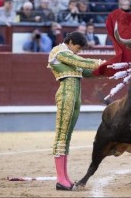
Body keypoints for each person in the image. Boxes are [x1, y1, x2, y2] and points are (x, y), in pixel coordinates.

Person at [47, 31, 106, 191]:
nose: (78, 51)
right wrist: (104, 63)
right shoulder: (59, 51)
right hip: (66, 94)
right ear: (71, 41)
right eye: (78, 48)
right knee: (61, 135)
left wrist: (109, 71)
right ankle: (60, 179)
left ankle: (65, 177)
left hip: (75, 97)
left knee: (67, 136)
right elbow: (81, 61)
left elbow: (86, 72)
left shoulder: (70, 57)